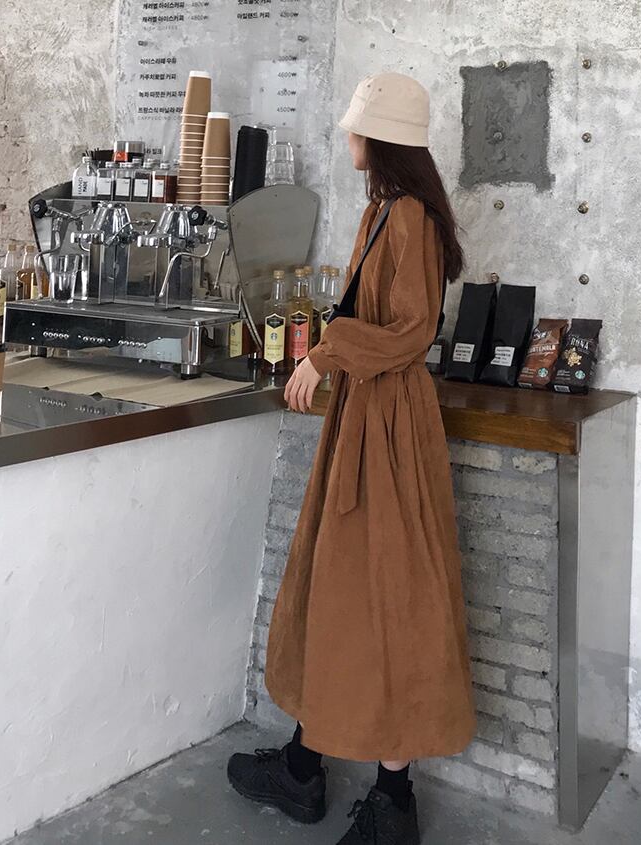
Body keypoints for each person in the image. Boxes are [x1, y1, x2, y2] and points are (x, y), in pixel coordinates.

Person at [228, 72, 476, 845]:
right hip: (367, 419)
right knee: (341, 590)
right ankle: (305, 764)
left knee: (388, 598)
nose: (348, 137)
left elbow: (410, 330)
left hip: (390, 427)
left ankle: (391, 802)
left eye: (358, 127)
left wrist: (326, 354)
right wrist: (329, 351)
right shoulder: (385, 210)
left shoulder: (410, 218)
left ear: (384, 140)